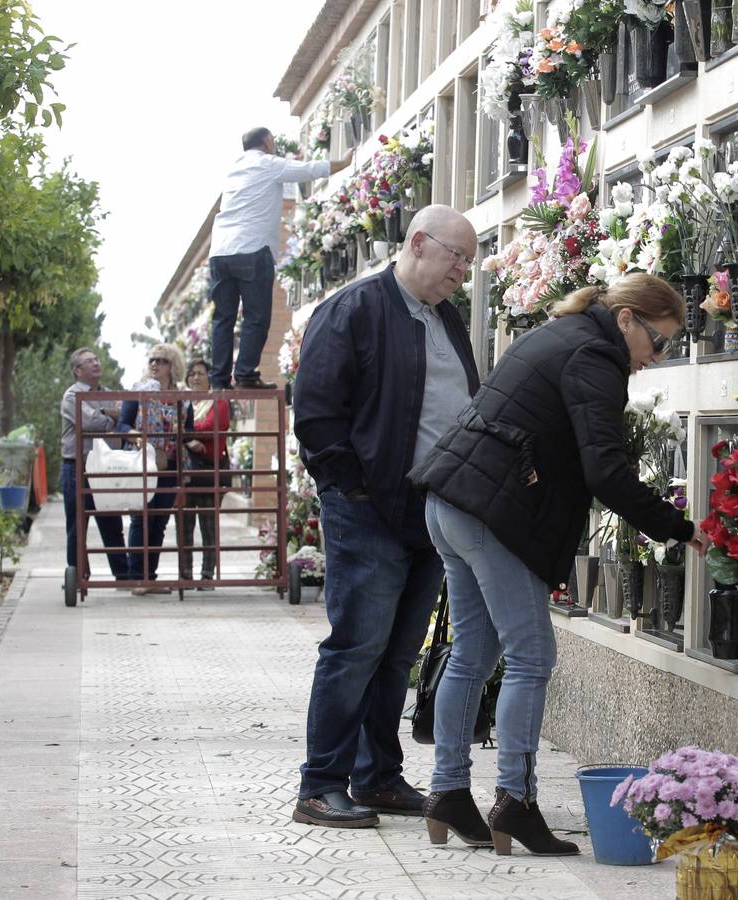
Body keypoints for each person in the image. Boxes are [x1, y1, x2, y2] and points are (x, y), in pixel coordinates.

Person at [409, 274, 705, 855]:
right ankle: (514, 803)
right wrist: (678, 527)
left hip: (451, 500)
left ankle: (447, 791)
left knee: (474, 652)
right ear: (627, 321)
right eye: (658, 341)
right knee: (531, 655)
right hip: (491, 513)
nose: (657, 356)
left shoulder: (561, 333)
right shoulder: (596, 357)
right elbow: (606, 471)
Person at [291, 205, 480, 829]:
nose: (464, 270)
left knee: (397, 653)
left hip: (430, 512)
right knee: (356, 646)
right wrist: (351, 489)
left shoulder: (445, 317)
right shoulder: (355, 309)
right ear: (419, 243)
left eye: (469, 261)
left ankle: (377, 777)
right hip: (369, 511)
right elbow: (317, 412)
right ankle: (321, 784)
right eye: (457, 256)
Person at [209, 127, 344, 390]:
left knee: (223, 319)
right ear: (268, 141)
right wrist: (346, 161)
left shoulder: (232, 170)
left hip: (220, 252)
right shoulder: (268, 164)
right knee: (256, 316)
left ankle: (219, 381)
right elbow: (309, 170)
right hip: (251, 249)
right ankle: (246, 374)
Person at [116, 343, 192, 594]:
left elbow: (189, 430)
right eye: (152, 360)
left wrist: (184, 435)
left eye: (161, 360)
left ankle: (151, 577)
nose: (155, 365)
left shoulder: (184, 395)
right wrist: (137, 435)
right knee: (141, 518)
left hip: (170, 464)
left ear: (173, 366)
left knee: (159, 521)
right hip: (143, 462)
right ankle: (138, 578)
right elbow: (123, 425)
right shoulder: (139, 391)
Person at [59, 348, 128, 580]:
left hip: (106, 468)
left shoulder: (109, 393)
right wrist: (110, 415)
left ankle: (123, 575)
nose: (96, 363)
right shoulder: (71, 396)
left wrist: (108, 414)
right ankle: (77, 575)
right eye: (89, 361)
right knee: (77, 524)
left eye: (96, 359)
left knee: (111, 521)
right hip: (77, 467)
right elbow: (88, 422)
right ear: (77, 371)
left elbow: (125, 417)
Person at [178, 358, 230, 588]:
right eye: (192, 373)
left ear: (210, 377)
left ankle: (207, 574)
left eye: (201, 373)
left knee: (208, 524)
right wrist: (189, 439)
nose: (196, 377)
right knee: (184, 523)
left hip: (210, 469)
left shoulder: (218, 400)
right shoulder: (181, 401)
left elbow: (215, 426)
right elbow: (173, 427)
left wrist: (186, 432)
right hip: (186, 470)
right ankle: (185, 574)